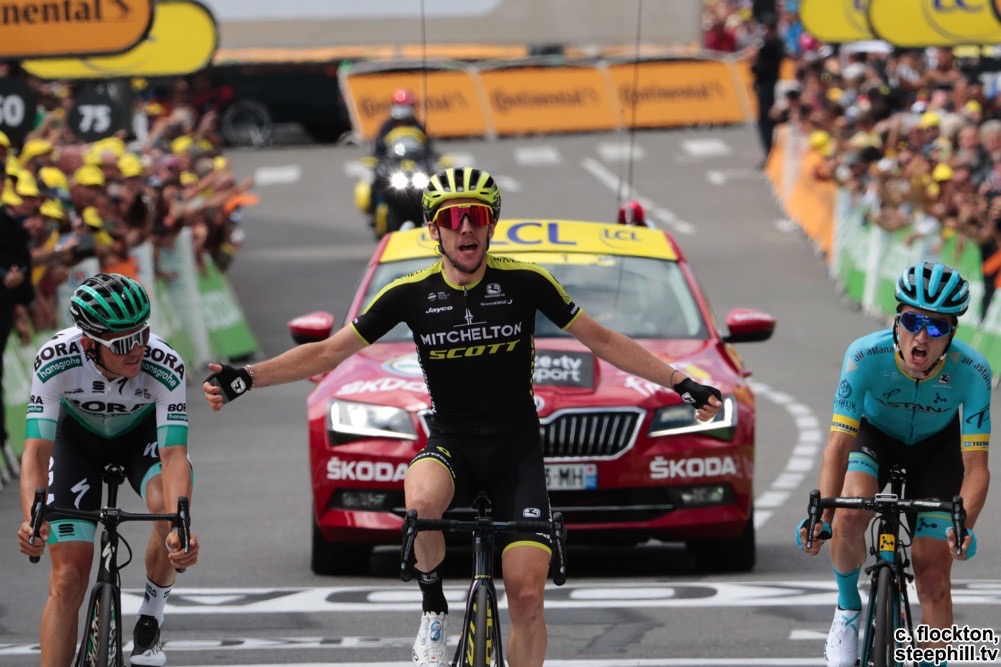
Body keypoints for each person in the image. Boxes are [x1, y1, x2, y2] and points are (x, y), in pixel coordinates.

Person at [203, 166, 723, 667]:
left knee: (527, 598)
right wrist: (247, 377)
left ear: (492, 224)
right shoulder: (409, 293)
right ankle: (433, 608)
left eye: (477, 216)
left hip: (516, 453)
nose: (466, 228)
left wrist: (681, 382)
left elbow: (604, 341)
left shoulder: (527, 281)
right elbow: (324, 354)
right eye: (453, 219)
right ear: (435, 230)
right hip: (453, 442)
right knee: (421, 502)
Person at [796, 261, 989, 667]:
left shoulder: (973, 371)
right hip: (875, 438)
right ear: (896, 320)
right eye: (913, 321)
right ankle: (847, 610)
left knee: (932, 574)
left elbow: (976, 468)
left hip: (936, 452)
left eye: (936, 327)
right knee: (851, 513)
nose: (922, 337)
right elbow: (838, 446)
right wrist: (823, 517)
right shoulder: (864, 355)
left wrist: (963, 528)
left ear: (952, 334)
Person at [17, 273, 199, 667]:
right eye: (122, 344)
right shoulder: (55, 358)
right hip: (75, 444)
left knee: (165, 512)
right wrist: (33, 518)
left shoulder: (165, 363)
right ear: (89, 344)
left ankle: (151, 614)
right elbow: (36, 450)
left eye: (142, 334)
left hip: (141, 441)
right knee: (67, 580)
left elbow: (173, 455)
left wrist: (180, 524)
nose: (137, 350)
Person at [750, 12, 785, 168]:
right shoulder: (778, 43)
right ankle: (770, 153)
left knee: (766, 121)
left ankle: (770, 154)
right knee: (767, 121)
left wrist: (754, 60)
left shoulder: (769, 44)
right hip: (770, 83)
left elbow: (758, 63)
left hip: (767, 85)